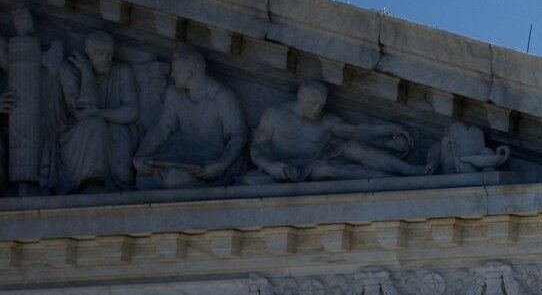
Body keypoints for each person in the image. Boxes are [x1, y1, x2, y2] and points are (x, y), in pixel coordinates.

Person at [244, 81, 428, 183]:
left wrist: (391, 128)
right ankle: (388, 180)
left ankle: (407, 171)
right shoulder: (274, 115)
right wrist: (271, 167)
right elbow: (257, 149)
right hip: (289, 169)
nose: (317, 109)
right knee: (328, 169)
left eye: (321, 105)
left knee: (355, 147)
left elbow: (357, 130)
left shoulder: (325, 121)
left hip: (316, 160)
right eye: (313, 104)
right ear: (301, 97)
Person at [133, 48, 245, 189]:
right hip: (183, 156)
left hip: (212, 160)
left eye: (175, 70)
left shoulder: (222, 97)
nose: (172, 75)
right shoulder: (174, 93)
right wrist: (140, 156)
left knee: (176, 180)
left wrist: (221, 165)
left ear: (190, 72)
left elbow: (238, 135)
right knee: (143, 178)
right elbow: (162, 128)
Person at [55, 31, 141, 193]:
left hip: (116, 128)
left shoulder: (122, 70)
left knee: (113, 131)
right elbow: (82, 111)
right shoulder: (69, 69)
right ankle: (92, 182)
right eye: (100, 53)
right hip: (76, 133)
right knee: (94, 125)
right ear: (87, 53)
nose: (106, 59)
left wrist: (99, 112)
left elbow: (132, 112)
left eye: (110, 54)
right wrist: (87, 72)